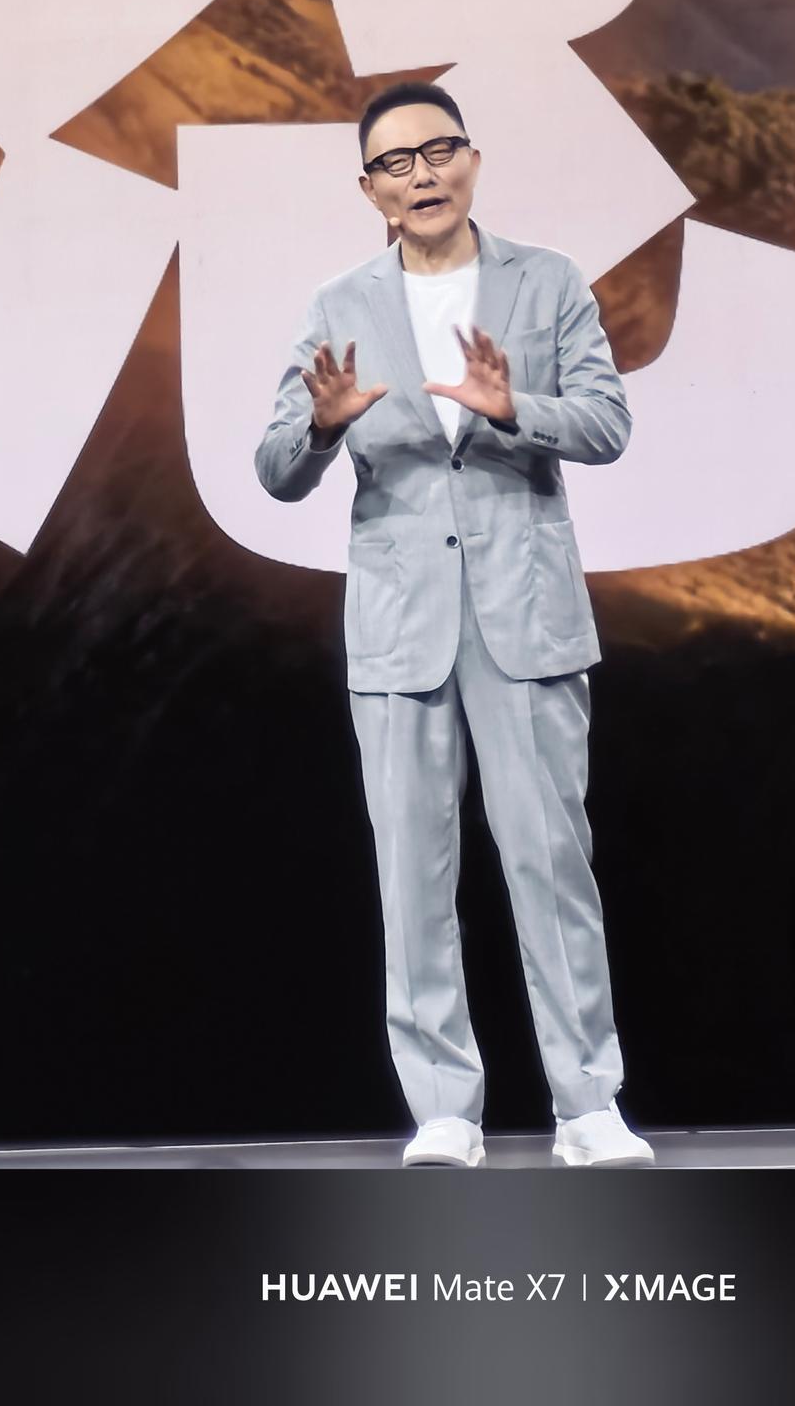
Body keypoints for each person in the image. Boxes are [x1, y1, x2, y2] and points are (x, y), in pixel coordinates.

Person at [254, 80, 653, 1169]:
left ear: (471, 160)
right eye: (397, 162)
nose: (421, 174)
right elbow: (275, 466)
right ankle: (443, 1105)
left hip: (524, 610)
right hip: (400, 624)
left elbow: (607, 422)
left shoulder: (546, 280)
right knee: (413, 871)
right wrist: (321, 428)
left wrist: (514, 406)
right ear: (370, 190)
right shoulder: (339, 302)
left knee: (550, 860)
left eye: (438, 151)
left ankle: (587, 1104)